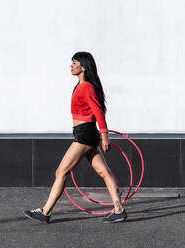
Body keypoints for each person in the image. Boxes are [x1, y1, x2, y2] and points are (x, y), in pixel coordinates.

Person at [23, 51, 127, 224]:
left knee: (61, 172)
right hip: (85, 133)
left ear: (83, 67)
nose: (71, 66)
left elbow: (98, 111)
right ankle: (119, 210)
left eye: (74, 63)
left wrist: (105, 135)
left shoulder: (86, 86)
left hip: (85, 134)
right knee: (104, 172)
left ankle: (45, 211)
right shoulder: (81, 86)